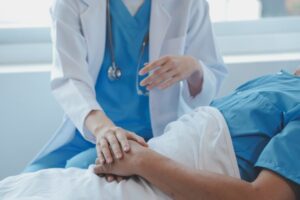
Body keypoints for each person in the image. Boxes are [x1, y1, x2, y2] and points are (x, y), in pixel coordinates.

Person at [23, 0, 227, 181]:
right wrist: (104, 130)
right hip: (91, 132)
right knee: (30, 180)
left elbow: (213, 73)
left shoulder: (189, 3)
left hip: (157, 137)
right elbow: (69, 80)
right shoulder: (70, 4)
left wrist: (193, 68)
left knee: (78, 174)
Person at [93, 68, 300, 199]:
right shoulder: (280, 81)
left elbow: (262, 196)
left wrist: (141, 160)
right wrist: (123, 154)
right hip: (134, 169)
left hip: (151, 177)